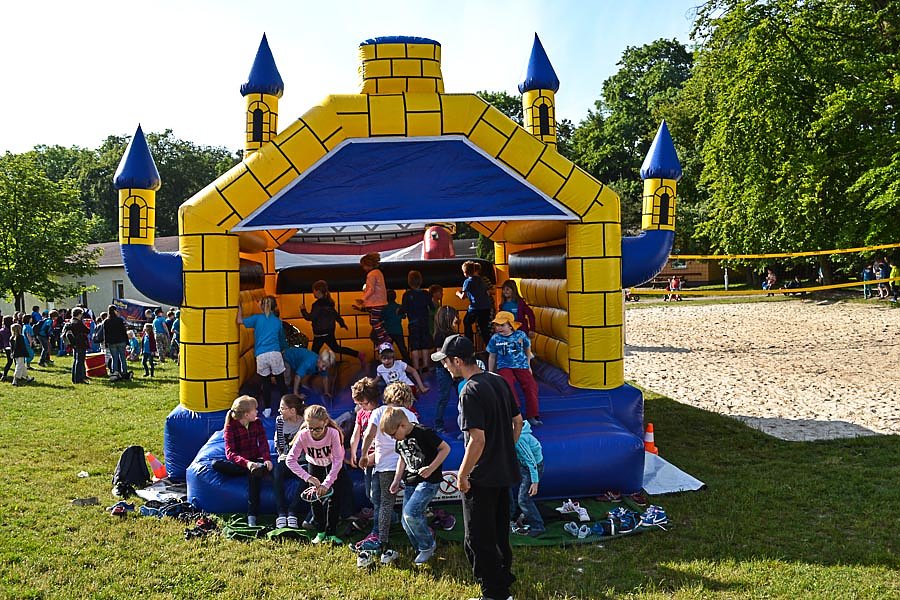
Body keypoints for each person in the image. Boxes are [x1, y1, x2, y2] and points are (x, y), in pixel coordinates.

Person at [433, 334, 522, 600]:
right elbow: (518, 421)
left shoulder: (469, 391)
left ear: (457, 361)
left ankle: (495, 593)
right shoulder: (498, 380)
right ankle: (503, 580)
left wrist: (463, 475)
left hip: (481, 476)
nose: (445, 366)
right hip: (504, 470)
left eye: (446, 361)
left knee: (478, 538)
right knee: (499, 532)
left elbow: (477, 440)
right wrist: (504, 447)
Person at [355, 383, 418, 566]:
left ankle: (382, 539)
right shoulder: (410, 415)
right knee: (408, 503)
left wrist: (364, 454)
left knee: (384, 503)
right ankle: (416, 537)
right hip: (406, 465)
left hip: (386, 466)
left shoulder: (379, 412)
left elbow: (368, 435)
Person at [384, 406, 451, 566]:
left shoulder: (423, 432)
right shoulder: (400, 439)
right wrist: (396, 480)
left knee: (411, 513)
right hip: (410, 482)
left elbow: (445, 448)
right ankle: (420, 547)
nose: (393, 438)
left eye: (393, 434)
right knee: (405, 520)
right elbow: (402, 458)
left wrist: (431, 468)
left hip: (428, 481)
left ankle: (427, 546)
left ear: (402, 425)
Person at [286, 404, 351, 545]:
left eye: (318, 429)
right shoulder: (303, 435)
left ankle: (331, 533)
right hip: (314, 465)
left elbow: (338, 460)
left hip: (332, 465)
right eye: (311, 428)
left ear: (325, 422)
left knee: (334, 499)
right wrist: (308, 477)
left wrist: (327, 484)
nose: (314, 432)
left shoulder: (333, 433)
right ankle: (320, 532)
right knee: (314, 499)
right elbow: (290, 460)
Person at [212, 396, 272, 527]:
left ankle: (252, 516)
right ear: (246, 414)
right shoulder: (231, 427)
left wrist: (267, 458)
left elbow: (263, 442)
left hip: (254, 460)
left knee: (255, 476)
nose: (257, 412)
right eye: (255, 410)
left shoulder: (257, 423)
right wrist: (247, 464)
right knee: (215, 464)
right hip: (240, 462)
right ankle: (254, 469)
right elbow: (230, 453)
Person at [487, 311, 541, 427]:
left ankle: (532, 414)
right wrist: (490, 372)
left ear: (510, 325)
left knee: (531, 386)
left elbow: (527, 349)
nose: (499, 328)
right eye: (497, 325)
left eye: (502, 325)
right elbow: (492, 356)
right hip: (504, 366)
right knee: (507, 385)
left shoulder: (520, 335)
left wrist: (528, 365)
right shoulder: (495, 338)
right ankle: (514, 413)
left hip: (521, 365)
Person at [237, 296, 288, 415]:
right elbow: (282, 340)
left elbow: (239, 320)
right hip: (275, 353)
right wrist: (284, 349)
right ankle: (286, 408)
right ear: (275, 307)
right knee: (280, 381)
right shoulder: (278, 321)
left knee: (265, 382)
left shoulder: (257, 318)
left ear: (261, 306)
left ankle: (267, 409)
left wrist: (239, 305)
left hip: (261, 355)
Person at [302, 279, 365, 367]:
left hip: (320, 333)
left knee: (314, 352)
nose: (313, 293)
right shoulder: (329, 302)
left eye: (314, 291)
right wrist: (342, 323)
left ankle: (312, 368)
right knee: (336, 348)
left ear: (318, 291)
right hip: (329, 331)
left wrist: (303, 310)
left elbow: (310, 317)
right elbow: (335, 315)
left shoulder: (317, 305)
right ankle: (358, 354)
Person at [272, 393, 307, 529]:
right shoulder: (280, 421)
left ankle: (293, 511)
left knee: (307, 475)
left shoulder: (304, 422)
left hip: (302, 460)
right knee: (277, 472)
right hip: (286, 459)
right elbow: (279, 442)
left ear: (292, 410)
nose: (279, 410)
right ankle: (281, 512)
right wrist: (282, 454)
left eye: (282, 408)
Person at [509, 419, 545, 537]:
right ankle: (511, 516)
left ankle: (538, 526)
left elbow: (531, 461)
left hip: (532, 468)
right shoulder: (512, 435)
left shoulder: (520, 439)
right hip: (521, 463)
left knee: (523, 498)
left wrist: (535, 482)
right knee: (506, 486)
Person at [432, 306, 460, 433]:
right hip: (445, 370)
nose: (457, 319)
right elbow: (440, 355)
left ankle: (465, 419)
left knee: (462, 394)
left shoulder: (453, 333)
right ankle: (438, 423)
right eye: (454, 317)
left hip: (456, 368)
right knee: (444, 396)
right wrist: (449, 369)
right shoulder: (440, 335)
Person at [354, 252, 391, 346]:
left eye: (363, 266)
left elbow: (371, 289)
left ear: (368, 265)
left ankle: (383, 338)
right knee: (376, 321)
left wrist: (363, 299)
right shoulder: (378, 272)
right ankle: (384, 336)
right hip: (381, 301)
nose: (363, 268)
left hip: (376, 302)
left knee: (374, 321)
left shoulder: (371, 274)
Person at [401, 270, 433, 372]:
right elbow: (432, 307)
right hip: (424, 321)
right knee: (425, 344)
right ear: (420, 280)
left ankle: (416, 368)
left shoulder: (407, 295)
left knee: (414, 346)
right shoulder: (426, 294)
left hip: (413, 322)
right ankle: (425, 365)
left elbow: (404, 309)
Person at [456, 260, 492, 347]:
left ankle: (469, 343)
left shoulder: (468, 282)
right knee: (484, 328)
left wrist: (458, 293)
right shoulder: (481, 280)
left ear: (465, 273)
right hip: (486, 307)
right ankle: (490, 347)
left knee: (466, 322)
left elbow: (463, 296)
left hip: (475, 307)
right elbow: (487, 292)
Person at [382, 289, 410, 363]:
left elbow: (381, 318)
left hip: (388, 330)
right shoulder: (399, 307)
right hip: (398, 330)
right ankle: (408, 362)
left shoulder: (384, 308)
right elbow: (404, 316)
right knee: (402, 348)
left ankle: (387, 363)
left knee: (387, 349)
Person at [63, 308, 90, 384]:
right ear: (79, 314)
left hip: (74, 343)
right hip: (80, 342)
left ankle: (75, 378)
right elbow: (87, 330)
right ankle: (78, 379)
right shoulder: (78, 323)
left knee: (76, 361)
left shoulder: (70, 321)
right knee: (80, 361)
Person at [104, 305, 130, 380]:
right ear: (115, 311)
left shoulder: (106, 321)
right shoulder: (120, 320)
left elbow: (105, 333)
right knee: (123, 358)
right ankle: (124, 372)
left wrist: (106, 343)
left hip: (111, 342)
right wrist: (127, 341)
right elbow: (123, 331)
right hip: (121, 341)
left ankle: (115, 373)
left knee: (114, 358)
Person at [0, 315, 12, 382]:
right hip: (11, 346)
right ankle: (4, 375)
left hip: (6, 346)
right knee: (10, 361)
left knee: (9, 361)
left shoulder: (2, 330)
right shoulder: (10, 330)